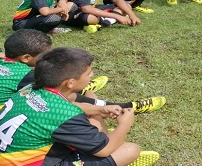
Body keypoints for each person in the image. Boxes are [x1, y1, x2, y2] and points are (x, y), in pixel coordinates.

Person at [0, 47, 160, 166]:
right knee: (130, 150)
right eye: (88, 73)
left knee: (90, 119)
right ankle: (115, 159)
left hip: (11, 162)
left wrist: (98, 110)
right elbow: (105, 149)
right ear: (70, 82)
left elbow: (65, 109)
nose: (92, 75)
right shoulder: (65, 114)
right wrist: (125, 123)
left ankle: (102, 141)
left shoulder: (29, 89)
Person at [0, 30, 166, 113]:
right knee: (68, 96)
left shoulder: (5, 60)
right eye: (45, 54)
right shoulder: (25, 75)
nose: (49, 56)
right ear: (25, 58)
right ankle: (125, 107)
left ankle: (82, 86)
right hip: (12, 112)